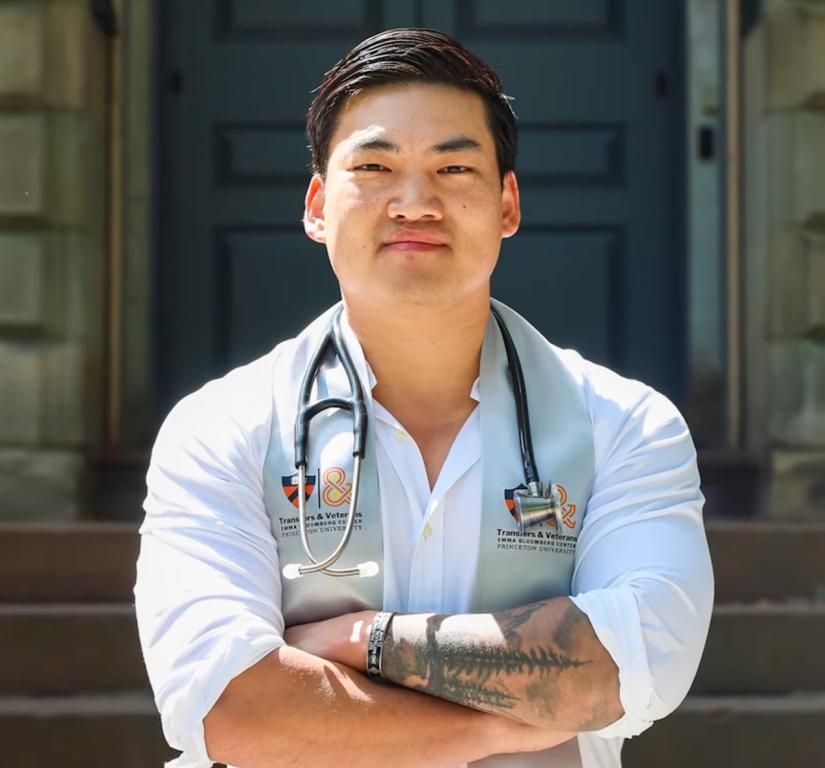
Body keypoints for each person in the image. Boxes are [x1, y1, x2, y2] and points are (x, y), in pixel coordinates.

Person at [134, 28, 714, 768]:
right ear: (317, 206)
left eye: (454, 167)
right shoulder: (220, 428)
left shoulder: (625, 426)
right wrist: (502, 726)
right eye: (374, 167)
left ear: (507, 204)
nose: (415, 203)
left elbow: (632, 668)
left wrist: (357, 640)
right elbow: (230, 707)